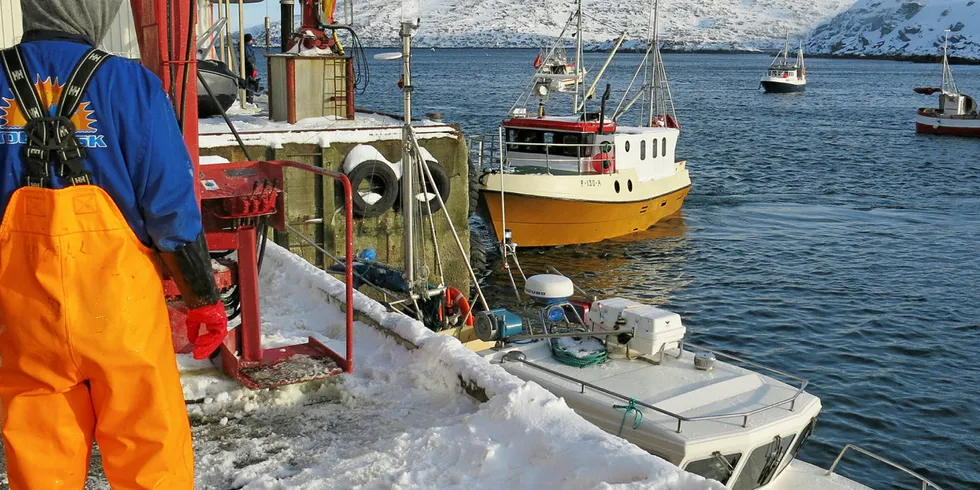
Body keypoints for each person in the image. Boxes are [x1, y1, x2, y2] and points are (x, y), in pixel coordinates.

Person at [0, 0, 228, 487]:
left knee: (40, 463)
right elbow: (170, 209)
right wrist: (203, 299)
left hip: (23, 318)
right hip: (121, 314)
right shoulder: (133, 85)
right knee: (150, 453)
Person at [242, 33, 260, 103]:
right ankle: (249, 100)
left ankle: (248, 99)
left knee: (249, 83)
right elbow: (249, 58)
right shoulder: (247, 48)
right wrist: (253, 68)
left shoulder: (245, 47)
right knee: (250, 84)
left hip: (248, 66)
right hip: (249, 67)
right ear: (249, 40)